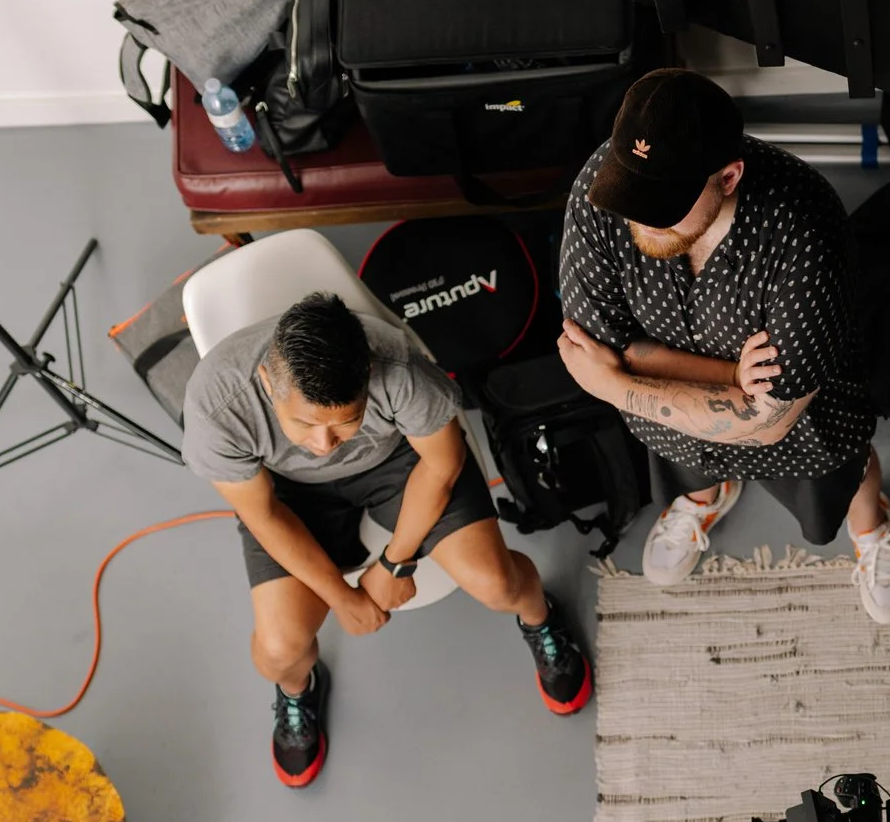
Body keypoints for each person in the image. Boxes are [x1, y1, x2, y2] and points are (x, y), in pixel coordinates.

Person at [185, 291, 591, 787]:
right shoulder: (215, 405)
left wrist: (395, 563)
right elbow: (263, 514)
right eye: (306, 423)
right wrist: (344, 599)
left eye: (344, 422)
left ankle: (539, 617)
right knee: (276, 649)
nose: (324, 445)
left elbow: (442, 463)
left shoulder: (397, 367)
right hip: (288, 495)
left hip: (398, 463)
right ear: (269, 384)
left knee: (494, 582)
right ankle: (297, 690)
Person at [558, 70, 890, 622]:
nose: (640, 218)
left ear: (728, 177)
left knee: (845, 477)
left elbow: (771, 422)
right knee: (687, 468)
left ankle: (871, 527)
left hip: (806, 430)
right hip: (667, 424)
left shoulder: (804, 227)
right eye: (633, 194)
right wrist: (731, 382)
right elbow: (604, 346)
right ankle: (704, 498)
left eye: (666, 201)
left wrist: (616, 384)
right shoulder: (600, 186)